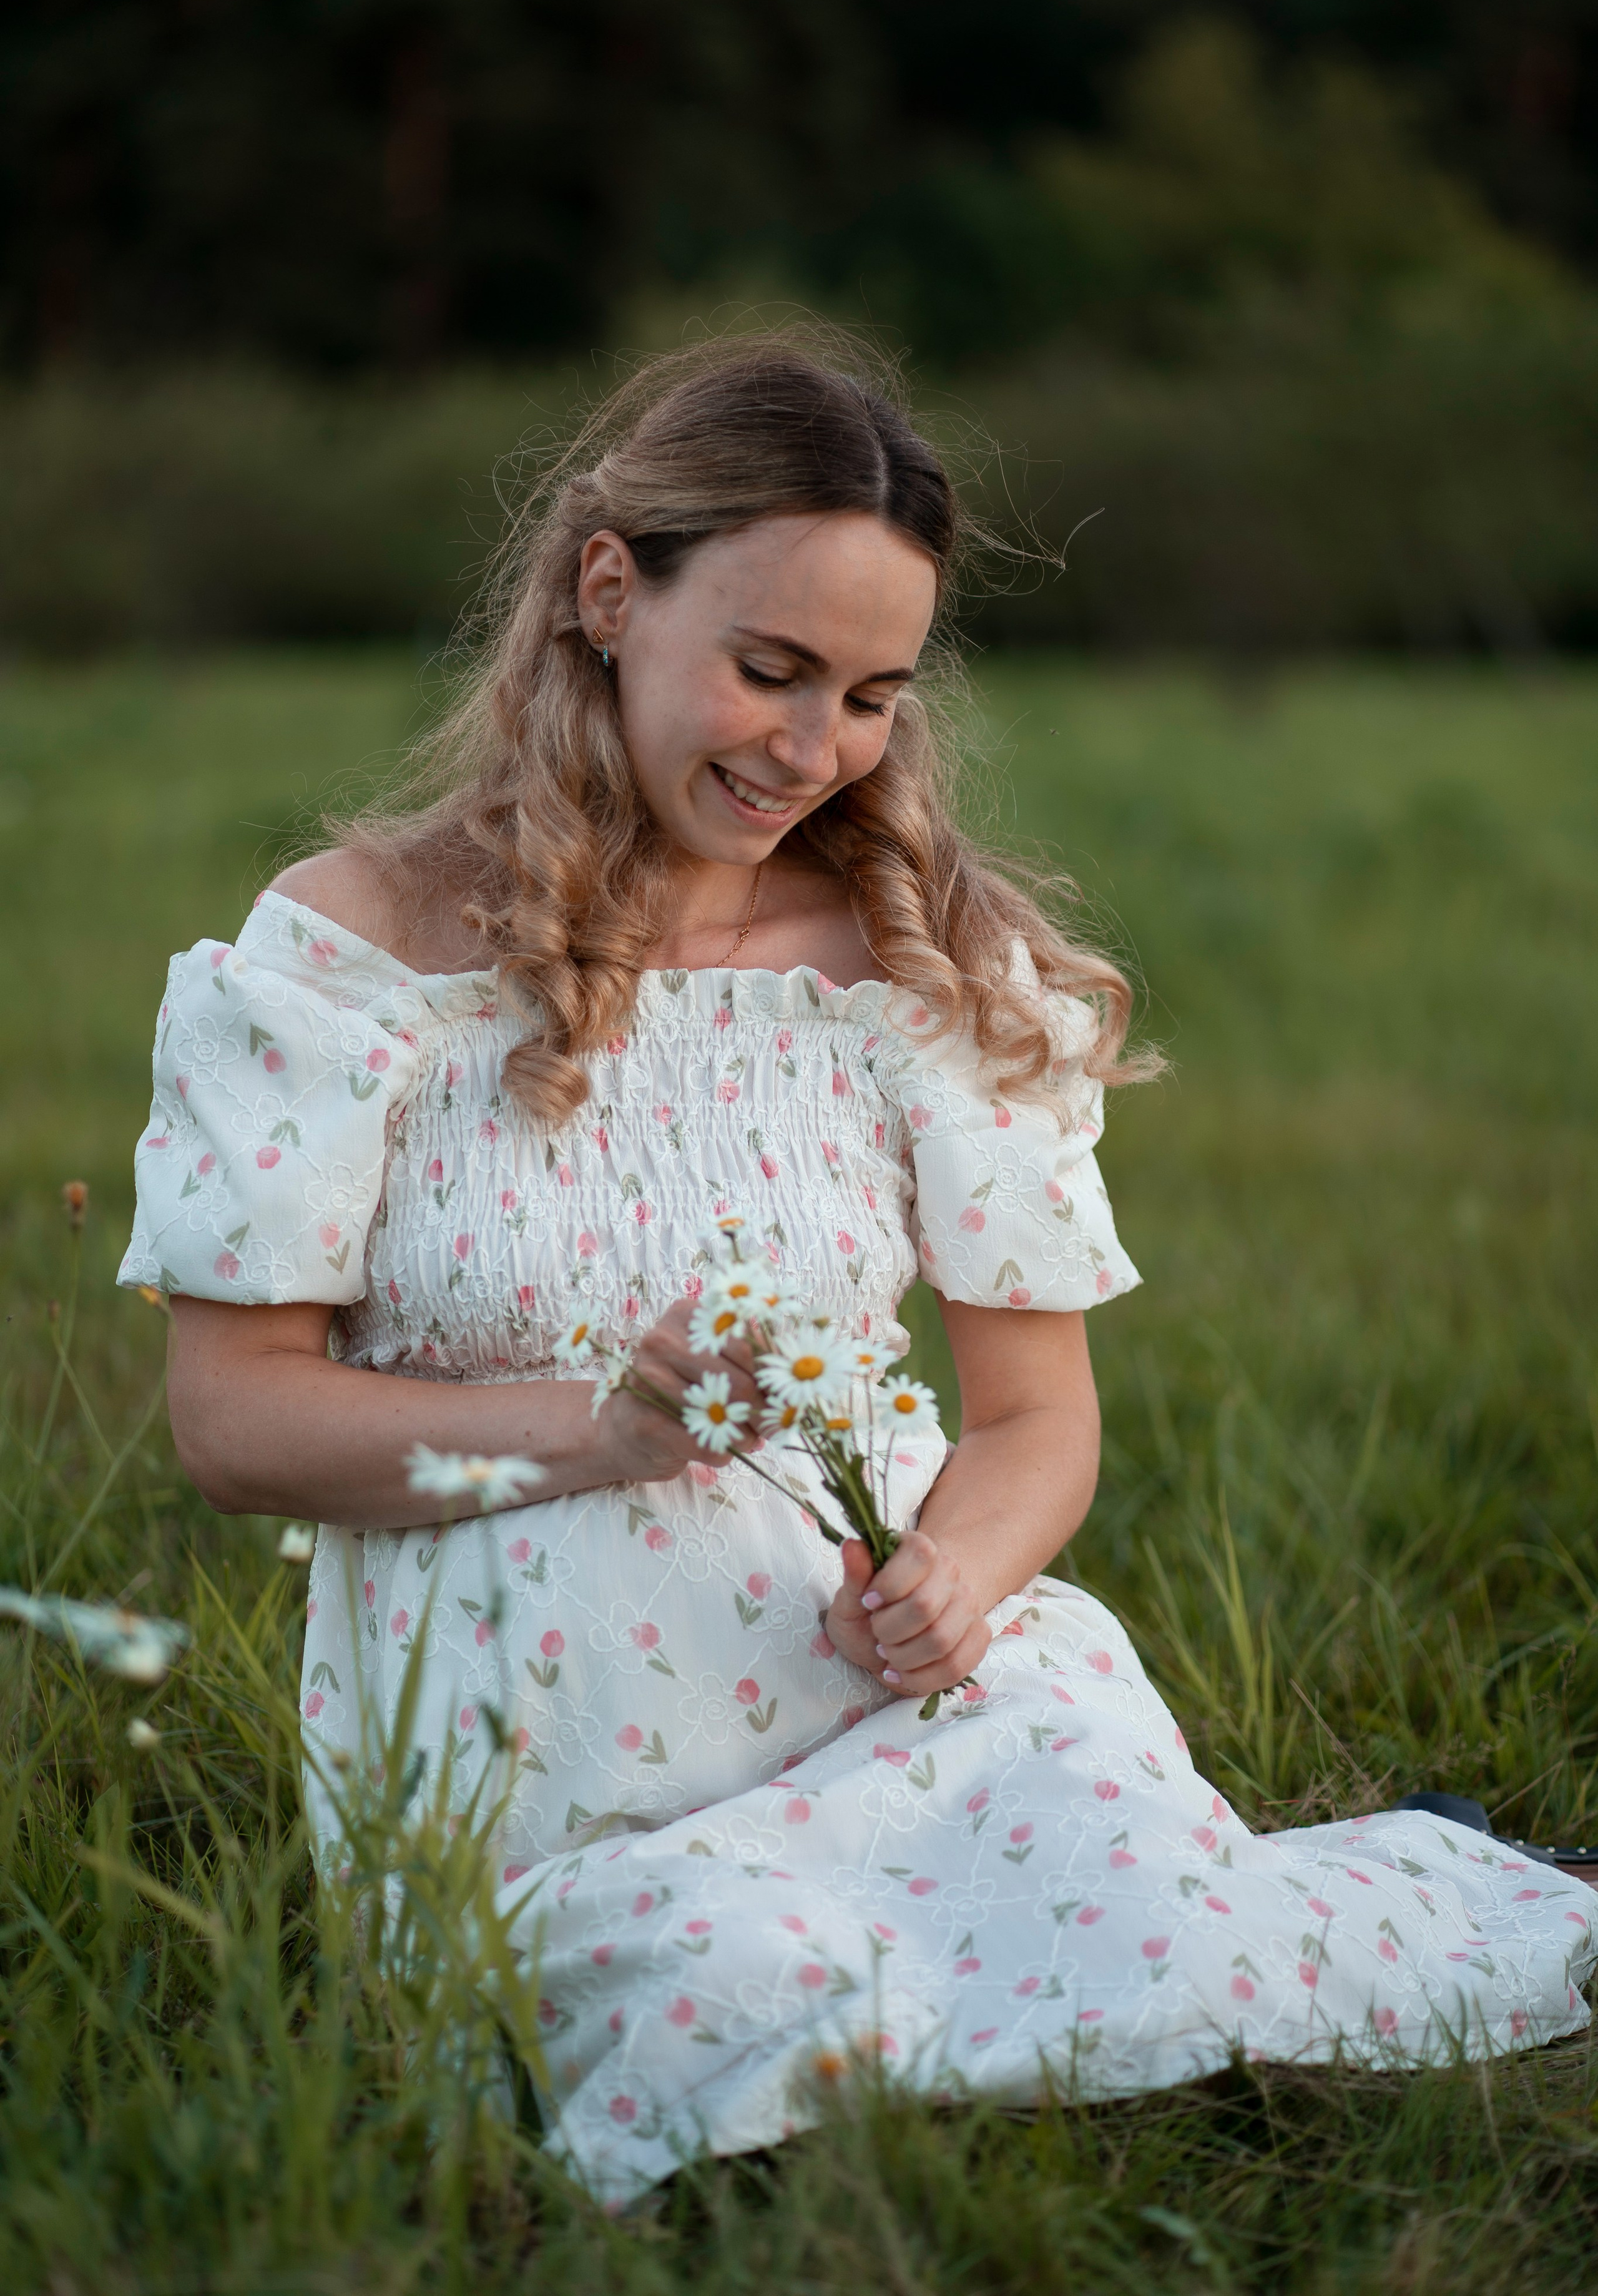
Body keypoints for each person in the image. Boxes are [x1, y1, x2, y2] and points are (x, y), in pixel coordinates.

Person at [120, 335, 1597, 2203]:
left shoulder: (916, 967)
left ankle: (1317, 1885)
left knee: (1141, 1907)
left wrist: (962, 1574)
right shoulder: (348, 960)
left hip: (890, 1699)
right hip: (548, 1766)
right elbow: (231, 1418)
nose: (813, 750)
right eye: (770, 669)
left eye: (872, 695)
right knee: (755, 1999)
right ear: (608, 593)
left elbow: (1036, 1418)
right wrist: (593, 1431)